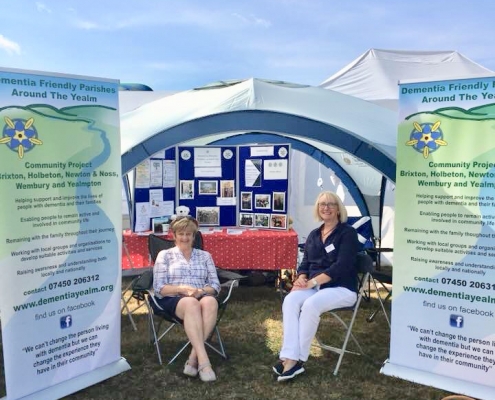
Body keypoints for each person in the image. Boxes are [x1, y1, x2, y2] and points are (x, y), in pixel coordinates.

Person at [273, 191, 360, 382]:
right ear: (318, 209)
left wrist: (312, 282)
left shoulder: (347, 233)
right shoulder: (314, 234)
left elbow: (341, 266)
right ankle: (288, 354)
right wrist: (301, 278)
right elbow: (305, 264)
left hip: (342, 288)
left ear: (338, 209)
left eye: (330, 204)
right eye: (322, 204)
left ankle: (296, 361)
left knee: (311, 305)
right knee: (291, 300)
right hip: (315, 287)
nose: (326, 208)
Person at [153, 216, 221, 382]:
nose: (184, 237)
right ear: (174, 235)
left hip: (200, 295)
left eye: (188, 234)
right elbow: (159, 287)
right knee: (190, 303)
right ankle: (204, 362)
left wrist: (199, 291)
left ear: (194, 236)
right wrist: (182, 289)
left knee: (211, 301)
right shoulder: (165, 256)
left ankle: (193, 357)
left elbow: (215, 285)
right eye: (181, 234)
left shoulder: (205, 256)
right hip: (172, 298)